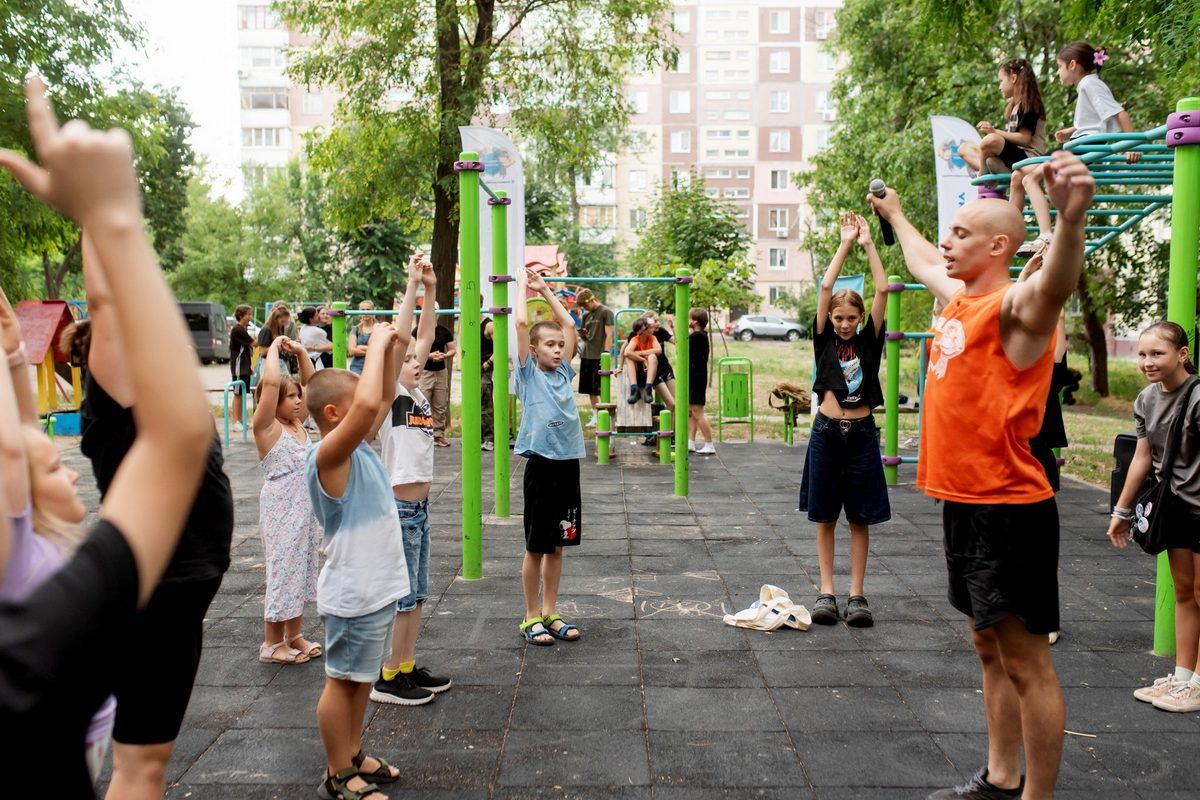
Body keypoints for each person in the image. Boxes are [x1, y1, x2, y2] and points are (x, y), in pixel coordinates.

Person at [0, 75, 215, 796]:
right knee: (142, 763)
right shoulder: (116, 380)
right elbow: (105, 303)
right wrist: (105, 215)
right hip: (163, 581)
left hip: (178, 581)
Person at [870, 149, 1095, 800]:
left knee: (1028, 664)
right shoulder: (960, 299)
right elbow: (917, 258)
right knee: (988, 648)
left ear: (999, 246)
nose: (948, 240)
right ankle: (1000, 777)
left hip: (1009, 510)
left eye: (962, 233)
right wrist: (898, 214)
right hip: (964, 504)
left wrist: (1072, 221)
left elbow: (1053, 283)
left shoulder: (1015, 313)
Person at [0, 287, 116, 782]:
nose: (70, 474)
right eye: (54, 471)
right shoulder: (15, 545)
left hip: (84, 729)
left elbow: (27, 438)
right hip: (58, 738)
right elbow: (12, 452)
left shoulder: (38, 536)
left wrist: (13, 352)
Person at [305, 322, 410, 800]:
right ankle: (336, 772)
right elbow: (369, 402)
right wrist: (374, 345)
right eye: (355, 409)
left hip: (376, 589)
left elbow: (381, 394)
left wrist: (391, 343)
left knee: (361, 681)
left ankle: (352, 753)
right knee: (341, 683)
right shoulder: (328, 456)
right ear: (333, 415)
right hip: (351, 593)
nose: (369, 413)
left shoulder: (361, 448)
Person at [799, 211, 890, 628]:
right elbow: (826, 286)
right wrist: (845, 243)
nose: (845, 324)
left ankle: (856, 595)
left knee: (860, 517)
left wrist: (870, 243)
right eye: (839, 318)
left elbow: (883, 288)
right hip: (827, 433)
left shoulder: (870, 341)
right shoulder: (823, 339)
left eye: (851, 318)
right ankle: (826, 592)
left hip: (862, 434)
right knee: (825, 515)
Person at [371, 254, 454, 706]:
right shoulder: (389, 394)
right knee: (403, 597)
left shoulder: (417, 392)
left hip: (419, 510)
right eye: (407, 362)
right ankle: (387, 675)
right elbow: (405, 336)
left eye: (417, 362)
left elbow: (424, 333)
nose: (416, 362)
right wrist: (409, 286)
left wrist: (431, 288)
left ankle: (406, 664)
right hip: (400, 509)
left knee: (418, 594)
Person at [1107, 321, 1200, 713]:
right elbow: (1142, 457)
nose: (1147, 361)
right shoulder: (1146, 399)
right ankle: (1182, 677)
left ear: (1182, 354)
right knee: (1183, 593)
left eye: (1157, 354)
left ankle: (1199, 683)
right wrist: (1121, 511)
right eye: (1142, 354)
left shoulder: (1196, 398)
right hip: (1175, 506)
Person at [1014, 42, 1141, 260]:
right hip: (1079, 142)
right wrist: (1072, 129)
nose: (1057, 72)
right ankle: (1017, 232)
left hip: (1085, 146)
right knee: (1018, 175)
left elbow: (1119, 113)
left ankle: (1046, 236)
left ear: (1072, 65)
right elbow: (1097, 118)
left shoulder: (1088, 85)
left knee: (1030, 180)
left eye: (1059, 66)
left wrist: (1131, 143)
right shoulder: (1089, 84)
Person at [514, 267, 586, 646]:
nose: (558, 349)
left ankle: (550, 611)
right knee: (536, 545)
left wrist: (547, 289)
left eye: (560, 346)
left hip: (567, 464)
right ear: (533, 350)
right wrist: (525, 286)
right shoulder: (528, 375)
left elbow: (570, 325)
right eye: (550, 345)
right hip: (541, 464)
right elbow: (523, 323)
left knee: (558, 543)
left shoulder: (562, 374)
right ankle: (530, 615)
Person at [253, 334, 322, 665]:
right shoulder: (266, 427)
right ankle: (270, 643)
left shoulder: (298, 424)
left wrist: (302, 352)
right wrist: (274, 351)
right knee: (282, 570)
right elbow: (269, 385)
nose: (297, 400)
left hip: (305, 508)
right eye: (290, 396)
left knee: (302, 569)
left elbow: (315, 387)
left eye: (297, 396)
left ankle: (294, 635)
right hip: (282, 506)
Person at [418, 302, 456, 447]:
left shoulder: (444, 331)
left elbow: (452, 349)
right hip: (425, 371)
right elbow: (414, 351)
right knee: (423, 402)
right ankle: (423, 434)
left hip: (440, 371)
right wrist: (429, 355)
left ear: (438, 314)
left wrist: (444, 355)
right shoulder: (419, 330)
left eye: (434, 311)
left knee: (440, 405)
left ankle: (438, 434)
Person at [576, 288, 614, 428]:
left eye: (585, 305)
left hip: (599, 356)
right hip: (587, 355)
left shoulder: (605, 312)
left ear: (591, 299)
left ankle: (606, 415)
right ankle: (595, 415)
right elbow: (586, 335)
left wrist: (606, 354)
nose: (585, 308)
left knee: (601, 388)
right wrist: (582, 334)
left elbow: (609, 334)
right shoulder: (586, 315)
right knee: (589, 389)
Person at [687, 308, 716, 455]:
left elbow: (682, 347)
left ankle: (709, 444)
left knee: (697, 412)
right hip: (696, 376)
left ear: (695, 321)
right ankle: (690, 442)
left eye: (689, 318)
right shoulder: (701, 335)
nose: (688, 321)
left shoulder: (696, 337)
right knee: (691, 411)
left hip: (696, 378)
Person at [229, 304, 255, 432]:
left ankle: (241, 420)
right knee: (237, 393)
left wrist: (249, 366)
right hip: (239, 366)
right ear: (241, 315)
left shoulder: (243, 329)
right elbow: (255, 343)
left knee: (243, 393)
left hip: (244, 366)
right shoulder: (238, 330)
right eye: (248, 315)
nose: (250, 317)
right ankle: (236, 421)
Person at [259, 304, 297, 375]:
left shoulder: (279, 329)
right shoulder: (266, 330)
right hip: (269, 363)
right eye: (282, 321)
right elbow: (263, 351)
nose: (283, 324)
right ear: (275, 319)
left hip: (280, 361)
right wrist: (279, 346)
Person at [299, 306, 333, 371]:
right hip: (317, 361)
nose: (326, 316)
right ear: (311, 318)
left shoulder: (303, 328)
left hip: (310, 360)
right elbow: (332, 346)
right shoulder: (318, 331)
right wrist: (314, 348)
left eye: (327, 314)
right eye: (322, 314)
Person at [348, 300, 376, 375]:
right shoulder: (356, 329)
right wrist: (372, 350)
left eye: (368, 310)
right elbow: (351, 351)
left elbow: (382, 348)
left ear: (373, 311)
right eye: (363, 310)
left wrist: (359, 347)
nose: (365, 312)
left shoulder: (378, 328)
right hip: (356, 367)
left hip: (374, 366)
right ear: (359, 312)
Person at [481, 310, 496, 451]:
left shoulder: (489, 325)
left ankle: (489, 439)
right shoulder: (468, 323)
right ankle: (477, 437)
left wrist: (488, 363)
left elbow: (500, 346)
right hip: (471, 370)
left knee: (485, 405)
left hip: (484, 369)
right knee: (473, 405)